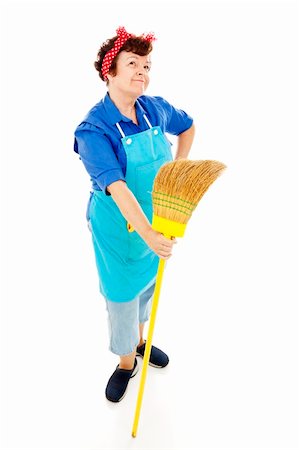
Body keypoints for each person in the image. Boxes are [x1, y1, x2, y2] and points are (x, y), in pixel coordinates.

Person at [73, 26, 195, 403]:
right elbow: (120, 189)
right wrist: (148, 233)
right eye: (132, 63)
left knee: (146, 289)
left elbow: (187, 127)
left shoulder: (154, 108)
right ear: (109, 73)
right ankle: (126, 363)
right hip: (118, 228)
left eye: (146, 64)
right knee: (121, 297)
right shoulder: (94, 129)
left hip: (152, 222)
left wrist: (176, 175)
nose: (143, 70)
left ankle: (141, 344)